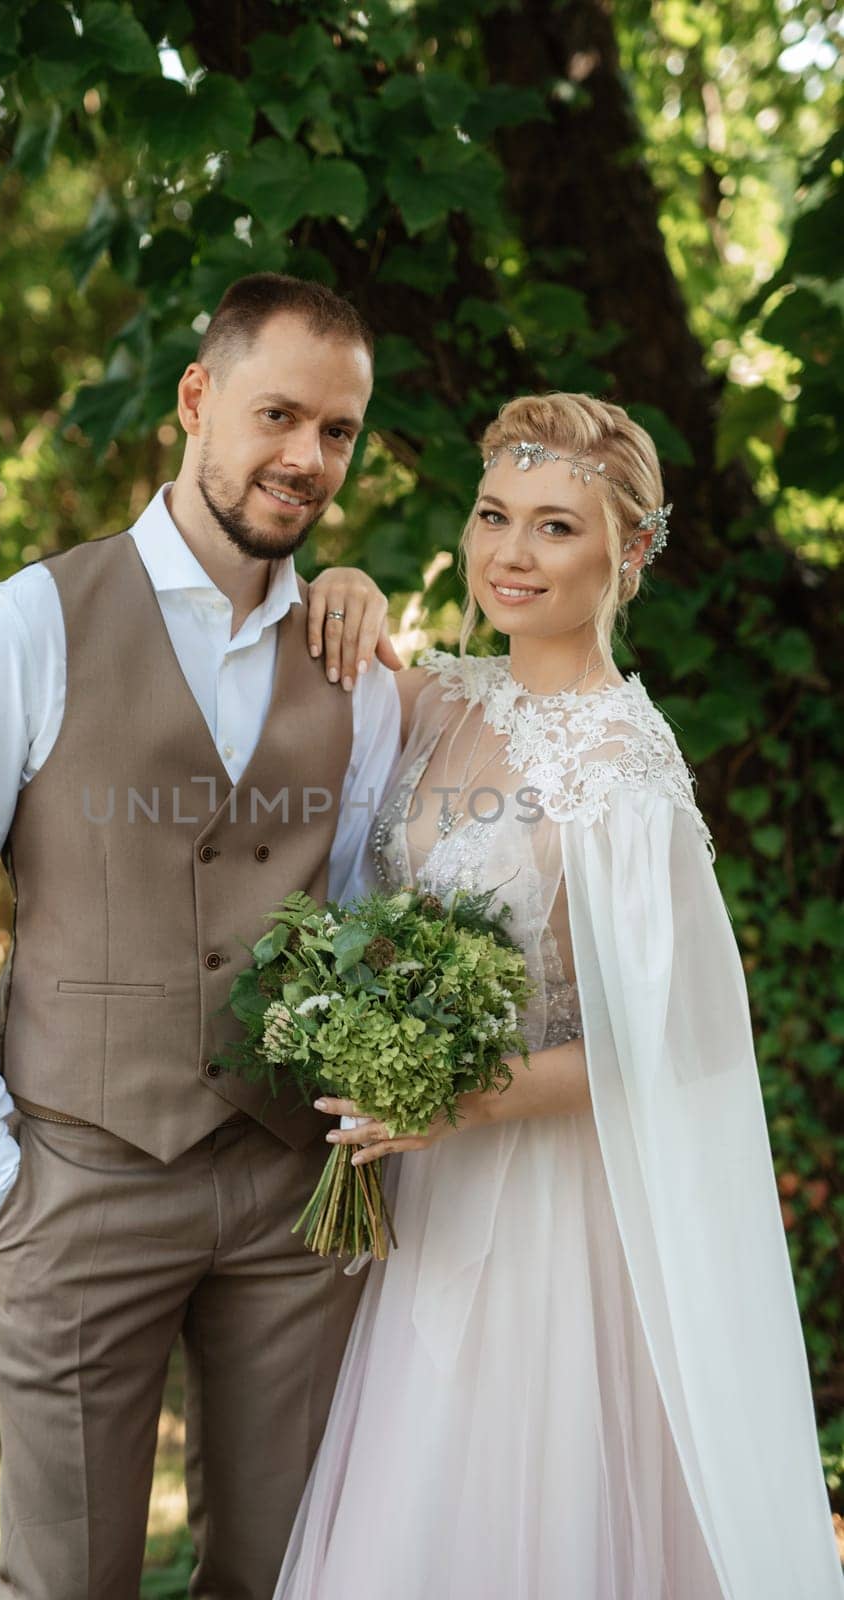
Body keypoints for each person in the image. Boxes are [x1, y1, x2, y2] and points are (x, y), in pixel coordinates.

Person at [0, 272, 403, 1600]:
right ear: (197, 400)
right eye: (279, 413)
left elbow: (357, 908)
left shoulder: (353, 667)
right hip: (80, 1183)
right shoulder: (23, 629)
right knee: (66, 1581)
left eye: (336, 432)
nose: (305, 458)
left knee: (289, 1574)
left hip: (293, 1198)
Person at [275, 393, 844, 1599]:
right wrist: (347, 581)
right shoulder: (444, 697)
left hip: (542, 1206)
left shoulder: (624, 773)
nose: (509, 554)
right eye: (492, 517)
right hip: (418, 1189)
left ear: (628, 554)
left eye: (554, 528)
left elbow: (678, 1045)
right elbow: (345, 667)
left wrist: (459, 1096)